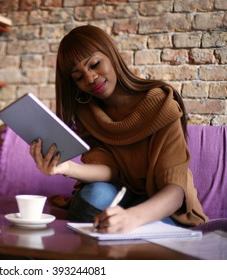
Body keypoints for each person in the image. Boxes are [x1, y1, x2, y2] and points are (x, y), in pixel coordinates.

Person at [29, 25, 208, 233]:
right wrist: (66, 168)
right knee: (93, 194)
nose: (90, 78)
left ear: (111, 55)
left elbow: (175, 191)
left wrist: (132, 217)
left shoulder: (161, 104)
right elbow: (110, 170)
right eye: (78, 77)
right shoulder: (88, 112)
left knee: (137, 235)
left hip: (162, 205)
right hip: (119, 198)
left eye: (95, 64)